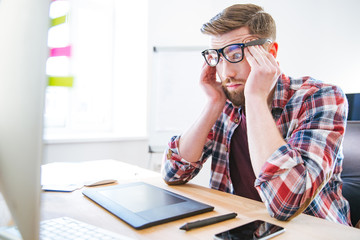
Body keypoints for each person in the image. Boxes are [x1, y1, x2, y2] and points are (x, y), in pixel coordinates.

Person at [161, 3, 352, 226]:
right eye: (217, 57)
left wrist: (255, 99)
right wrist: (213, 103)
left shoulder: (320, 97)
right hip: (240, 227)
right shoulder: (227, 101)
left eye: (236, 54)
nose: (226, 73)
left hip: (312, 231)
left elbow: (285, 203)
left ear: (270, 53)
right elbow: (173, 173)